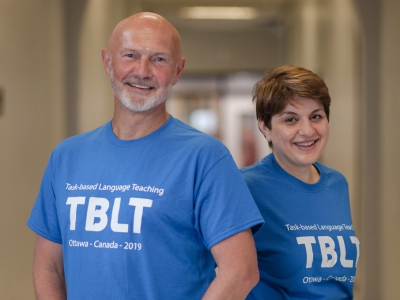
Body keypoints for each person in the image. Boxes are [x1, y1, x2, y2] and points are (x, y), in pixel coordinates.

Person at [27, 12, 264, 300]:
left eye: (159, 59)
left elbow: (241, 271)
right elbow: (48, 268)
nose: (142, 71)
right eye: (130, 55)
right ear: (107, 62)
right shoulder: (66, 157)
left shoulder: (205, 158)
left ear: (178, 70)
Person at [241, 65, 360, 299]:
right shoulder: (245, 187)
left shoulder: (337, 184)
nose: (307, 130)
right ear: (265, 128)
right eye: (290, 119)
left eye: (316, 116)